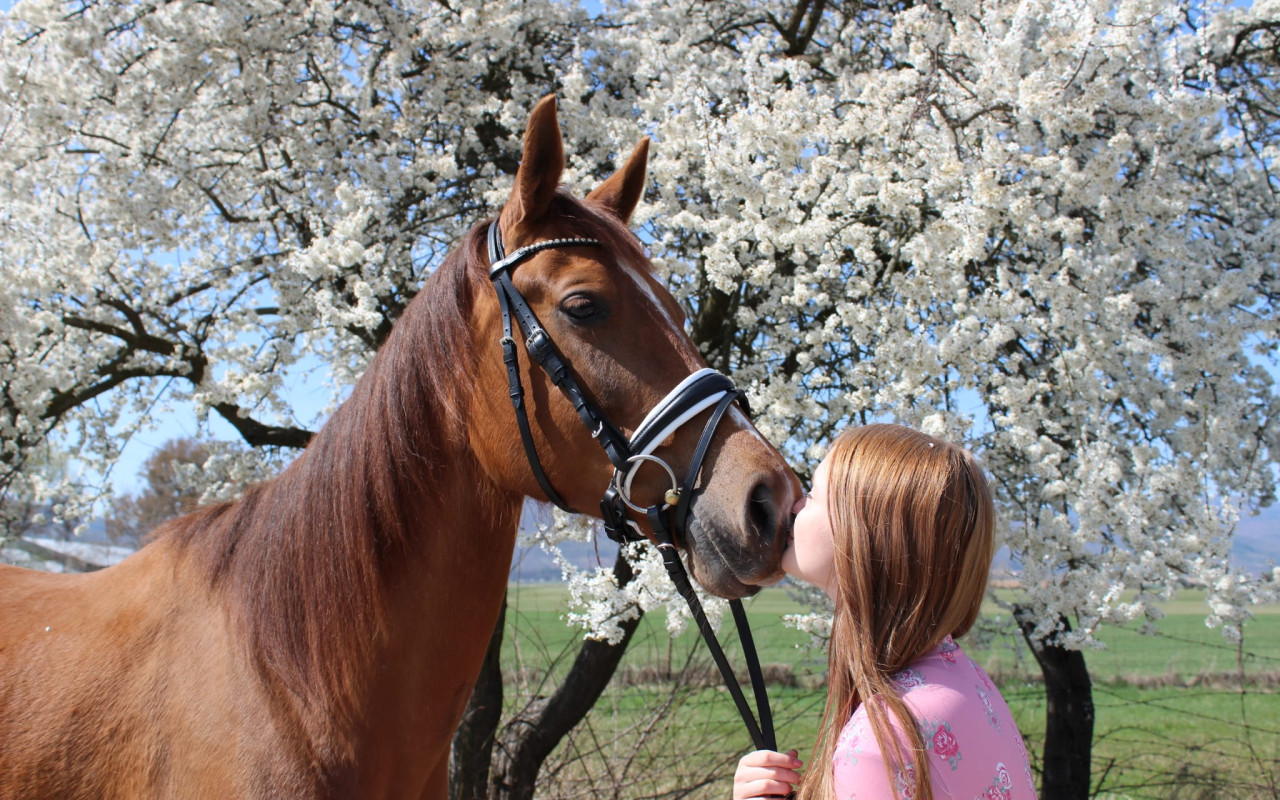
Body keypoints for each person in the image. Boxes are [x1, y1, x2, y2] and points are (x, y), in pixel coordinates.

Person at [734, 424, 1038, 800]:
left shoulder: (883, 743)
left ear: (868, 534)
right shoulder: (969, 683)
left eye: (813, 494)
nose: (795, 505)